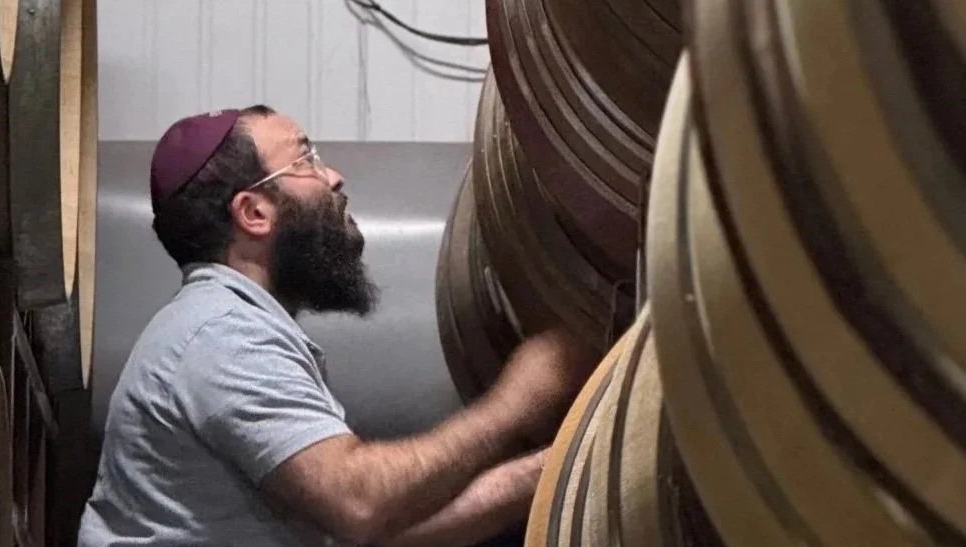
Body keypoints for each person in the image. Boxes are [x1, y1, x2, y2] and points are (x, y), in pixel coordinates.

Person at [77, 105, 595, 546]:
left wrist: (558, 465)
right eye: (306, 160)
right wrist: (514, 404)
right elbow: (360, 502)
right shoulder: (223, 335)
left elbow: (385, 527)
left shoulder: (233, 326)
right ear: (254, 212)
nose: (334, 176)